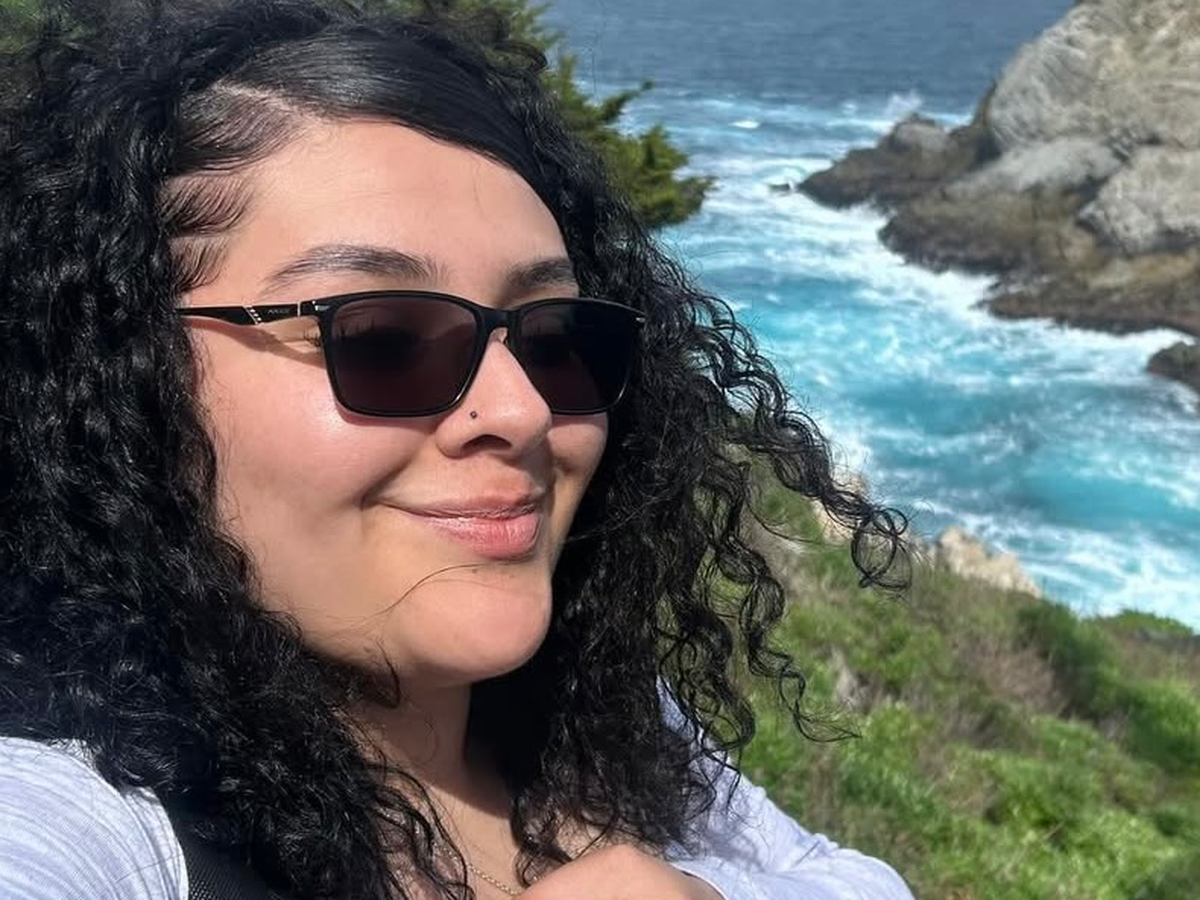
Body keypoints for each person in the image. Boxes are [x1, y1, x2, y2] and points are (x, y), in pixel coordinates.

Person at [0, 1, 913, 898]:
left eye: (553, 336)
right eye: (383, 337)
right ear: (120, 378)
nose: (521, 410)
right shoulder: (89, 824)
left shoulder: (596, 718)